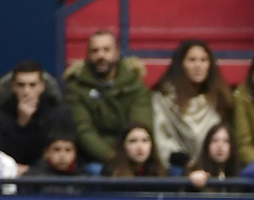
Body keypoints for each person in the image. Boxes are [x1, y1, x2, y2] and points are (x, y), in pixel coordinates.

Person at [63, 30, 154, 170]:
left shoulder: (136, 84)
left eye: (106, 50)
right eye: (95, 50)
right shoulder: (76, 88)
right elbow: (84, 131)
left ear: (116, 53)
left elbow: (140, 124)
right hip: (95, 159)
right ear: (88, 55)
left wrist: (128, 156)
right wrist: (113, 158)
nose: (101, 55)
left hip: (132, 154)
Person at [152, 39, 234, 171]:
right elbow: (161, 140)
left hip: (216, 167)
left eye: (203, 60)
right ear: (181, 64)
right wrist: (184, 161)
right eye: (192, 60)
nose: (198, 65)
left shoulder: (222, 99)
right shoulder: (163, 99)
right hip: (175, 170)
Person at [0, 60, 75, 174]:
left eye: (33, 85)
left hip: (49, 177)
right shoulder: (3, 115)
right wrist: (22, 123)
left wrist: (31, 171)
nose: (27, 91)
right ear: (13, 87)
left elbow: (61, 154)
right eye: (21, 85)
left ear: (42, 87)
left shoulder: (58, 114)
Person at [187, 122, 241, 190]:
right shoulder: (194, 170)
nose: (220, 146)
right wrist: (193, 181)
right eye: (215, 141)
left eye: (226, 141)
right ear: (207, 146)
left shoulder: (241, 174)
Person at [103, 122, 168, 178]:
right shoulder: (112, 171)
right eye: (133, 141)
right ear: (123, 146)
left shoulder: (160, 171)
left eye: (145, 140)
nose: (140, 146)